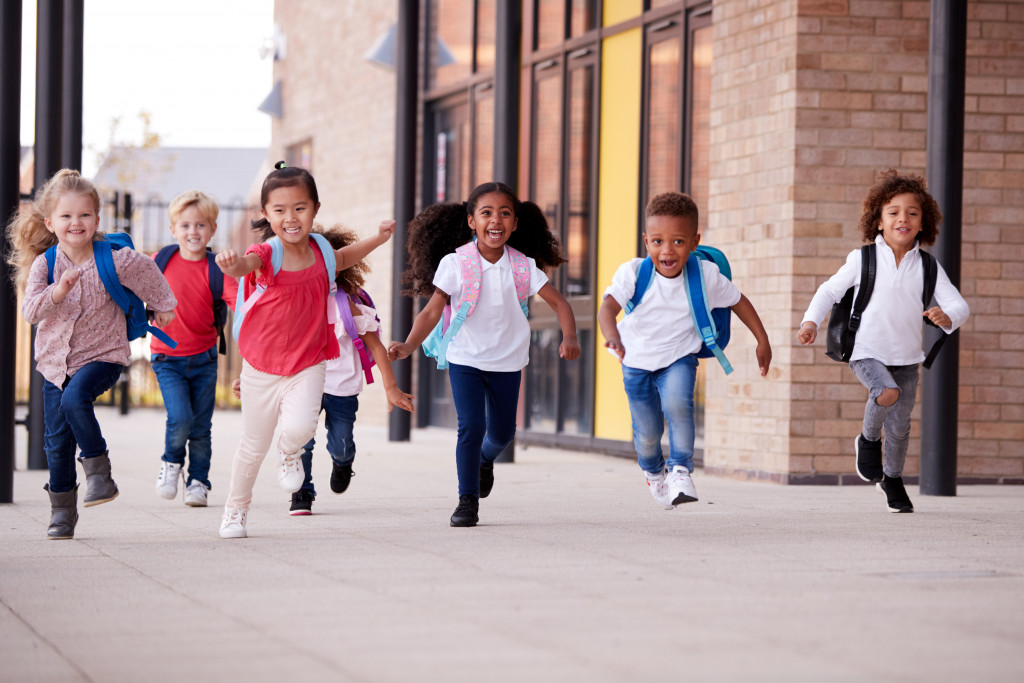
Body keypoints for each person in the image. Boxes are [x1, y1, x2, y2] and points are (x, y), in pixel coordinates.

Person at [214, 162, 395, 539]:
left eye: (300, 208)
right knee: (252, 446)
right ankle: (235, 510)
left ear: (315, 208)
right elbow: (247, 265)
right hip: (262, 366)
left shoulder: (323, 250)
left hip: (309, 361)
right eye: (279, 210)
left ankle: (290, 450)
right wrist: (233, 267)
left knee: (300, 426)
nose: (291, 218)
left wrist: (377, 240)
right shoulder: (266, 253)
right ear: (266, 215)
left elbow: (344, 259)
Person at [388, 181, 580, 528]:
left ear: (515, 223)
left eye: (505, 213)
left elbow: (559, 303)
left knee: (504, 433)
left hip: (508, 360)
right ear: (472, 221)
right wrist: (407, 345)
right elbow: (432, 312)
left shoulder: (523, 267)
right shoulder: (456, 263)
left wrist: (570, 336)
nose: (496, 220)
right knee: (471, 426)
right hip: (466, 358)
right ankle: (467, 500)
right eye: (487, 213)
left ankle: (484, 460)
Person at [6, 169, 177, 539]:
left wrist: (163, 305)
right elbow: (30, 312)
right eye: (66, 216)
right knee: (56, 441)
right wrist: (58, 291)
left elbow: (150, 271)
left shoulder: (115, 258)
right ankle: (62, 513)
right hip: (54, 363)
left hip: (103, 355)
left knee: (75, 399)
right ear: (50, 222)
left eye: (84, 215)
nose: (75, 223)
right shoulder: (45, 264)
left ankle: (99, 471)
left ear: (97, 219)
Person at [797, 169, 969, 513]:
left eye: (912, 213)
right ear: (878, 221)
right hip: (866, 351)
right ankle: (868, 440)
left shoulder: (928, 267)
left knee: (901, 424)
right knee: (885, 393)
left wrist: (947, 317)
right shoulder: (863, 259)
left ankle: (891, 480)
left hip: (907, 357)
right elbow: (829, 290)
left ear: (923, 223)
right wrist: (810, 321)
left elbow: (958, 305)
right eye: (893, 212)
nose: (902, 218)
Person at [598, 191, 771, 509]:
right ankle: (653, 471)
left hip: (680, 356)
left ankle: (680, 469)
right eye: (658, 241)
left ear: (694, 241)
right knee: (648, 433)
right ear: (646, 241)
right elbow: (607, 309)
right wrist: (613, 337)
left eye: (678, 241)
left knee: (679, 405)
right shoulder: (634, 273)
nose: (667, 250)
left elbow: (738, 301)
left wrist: (762, 339)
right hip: (635, 360)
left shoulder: (705, 275)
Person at [288, 226, 415, 515]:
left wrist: (390, 388)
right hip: (304, 385)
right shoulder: (293, 304)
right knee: (301, 442)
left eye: (327, 261)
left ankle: (344, 461)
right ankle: (302, 492)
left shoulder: (348, 306)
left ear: (339, 264)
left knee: (341, 443)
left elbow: (378, 348)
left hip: (342, 387)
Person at [151, 190, 238, 507]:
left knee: (201, 427)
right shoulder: (160, 261)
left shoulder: (218, 268)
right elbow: (134, 287)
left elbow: (240, 305)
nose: (193, 232)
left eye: (200, 225)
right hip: (166, 358)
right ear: (173, 229)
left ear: (212, 229)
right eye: (185, 225)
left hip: (204, 359)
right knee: (180, 418)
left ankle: (198, 481)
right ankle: (171, 462)